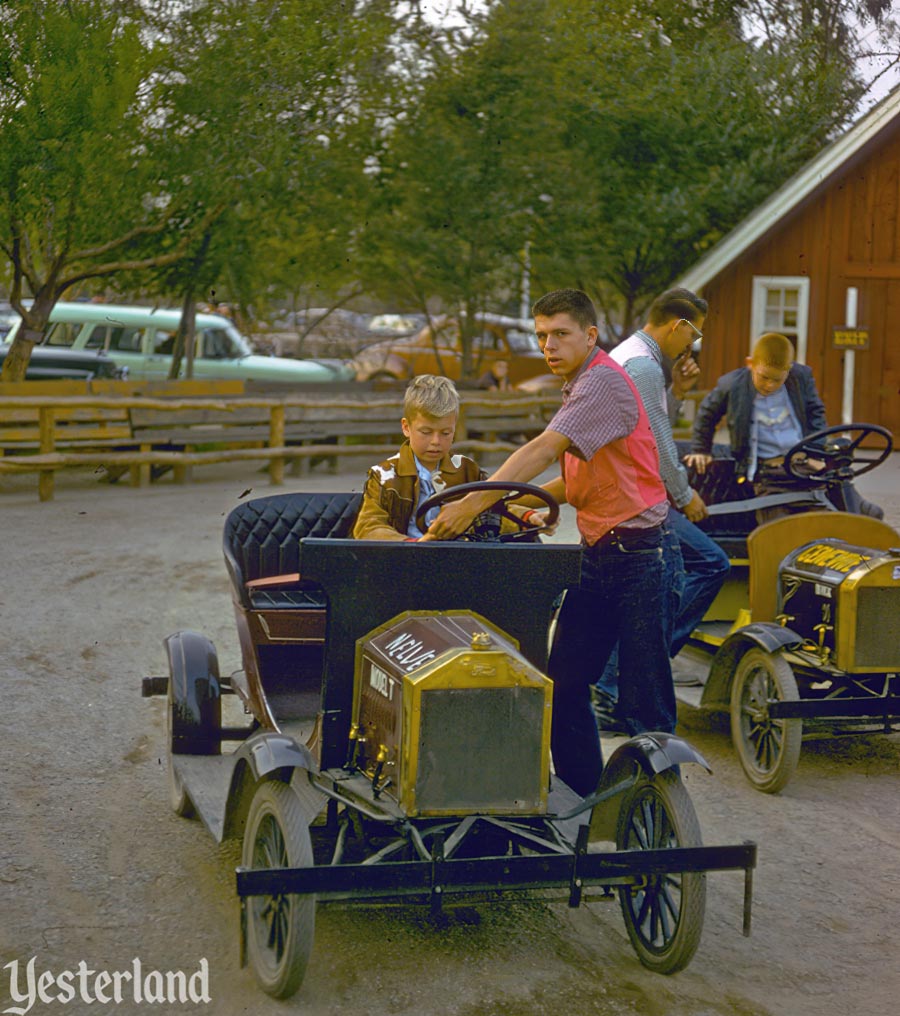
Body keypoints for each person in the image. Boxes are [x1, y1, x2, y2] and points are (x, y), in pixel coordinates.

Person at [422, 289, 675, 797]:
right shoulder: (580, 384)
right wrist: (515, 503)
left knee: (643, 703)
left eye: (560, 334)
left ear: (590, 335)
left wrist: (473, 502)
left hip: (643, 555)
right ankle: (587, 802)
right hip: (600, 553)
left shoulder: (603, 382)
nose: (548, 346)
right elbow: (578, 475)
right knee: (563, 683)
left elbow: (544, 448)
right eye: (541, 336)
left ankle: (657, 821)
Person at [593, 288, 730, 726]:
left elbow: (646, 423)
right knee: (712, 562)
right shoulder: (644, 364)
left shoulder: (633, 356)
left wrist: (679, 390)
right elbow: (659, 442)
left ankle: (616, 679)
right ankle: (628, 677)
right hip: (638, 495)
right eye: (694, 336)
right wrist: (687, 496)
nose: (692, 347)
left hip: (626, 490)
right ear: (678, 326)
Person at [686, 332, 884, 521]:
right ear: (750, 364)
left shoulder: (801, 378)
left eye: (777, 379)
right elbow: (707, 413)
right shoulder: (733, 384)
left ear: (789, 369)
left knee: (851, 513)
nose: (770, 385)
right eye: (764, 377)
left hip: (803, 466)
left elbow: (816, 412)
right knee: (778, 527)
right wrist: (701, 450)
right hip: (767, 474)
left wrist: (815, 453)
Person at [352, 374, 543, 541]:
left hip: (459, 559)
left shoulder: (466, 470)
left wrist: (526, 517)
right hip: (403, 562)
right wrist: (411, 544)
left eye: (445, 433)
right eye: (426, 432)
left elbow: (495, 507)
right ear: (406, 427)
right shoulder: (384, 476)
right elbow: (368, 527)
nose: (436, 441)